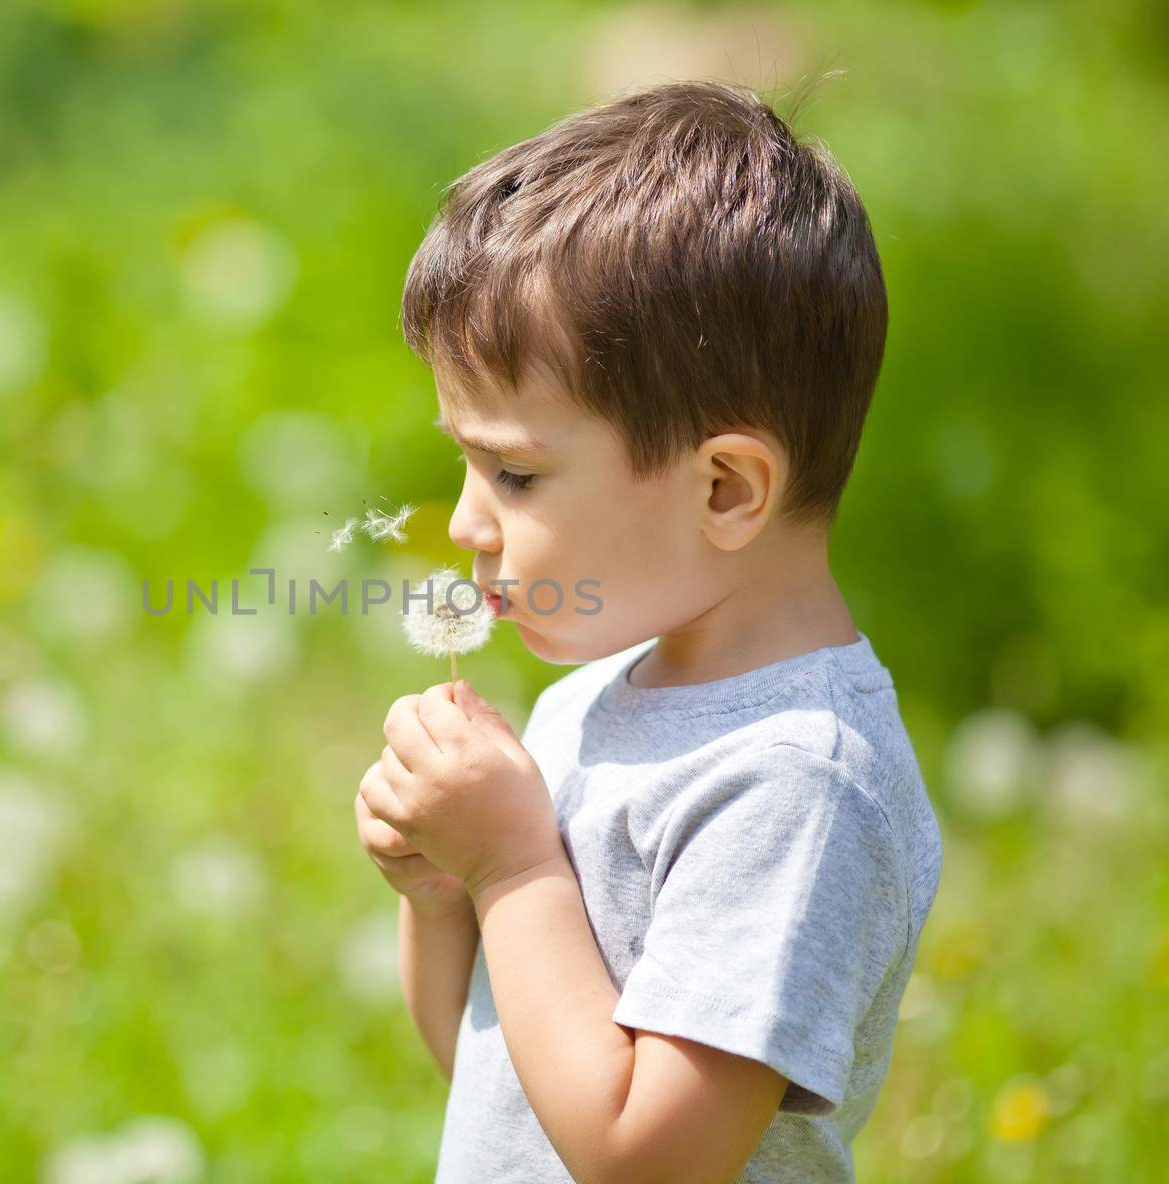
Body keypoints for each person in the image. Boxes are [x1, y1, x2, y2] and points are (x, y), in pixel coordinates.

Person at [354, 77, 944, 1183]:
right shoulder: (593, 699)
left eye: (516, 472)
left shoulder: (793, 784)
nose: (467, 521)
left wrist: (511, 867)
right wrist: (444, 892)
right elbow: (490, 1073)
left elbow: (645, 1158)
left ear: (724, 487)